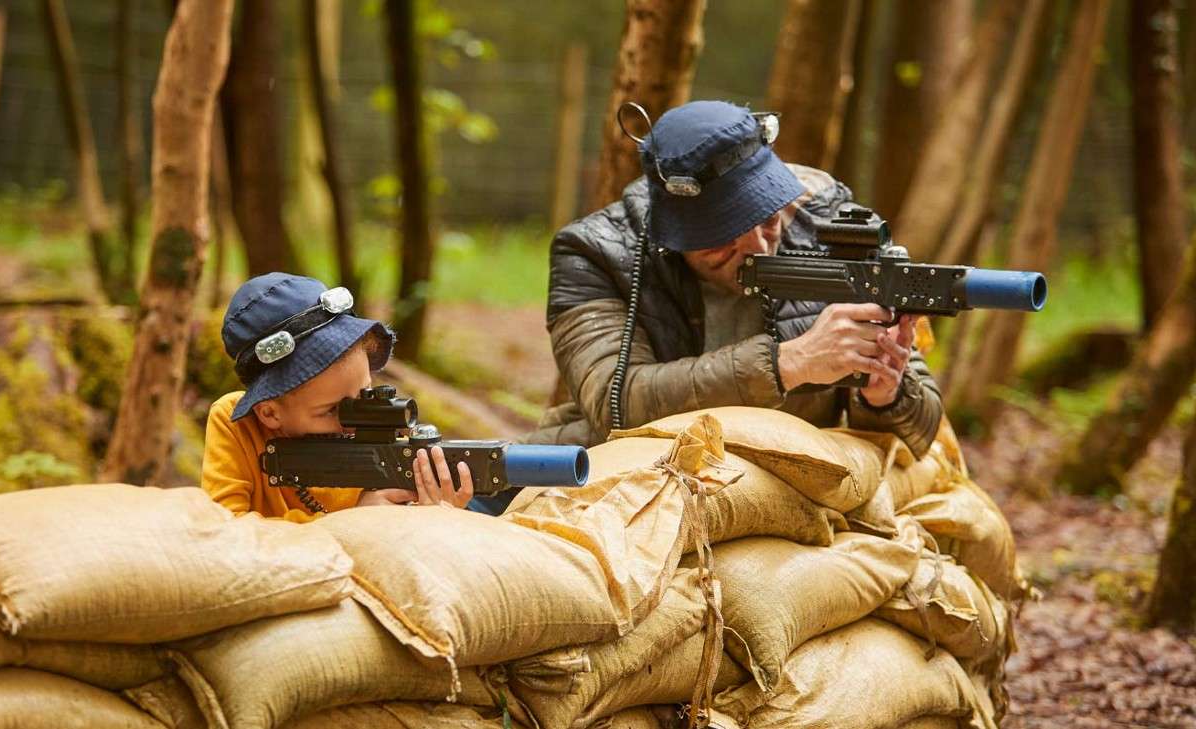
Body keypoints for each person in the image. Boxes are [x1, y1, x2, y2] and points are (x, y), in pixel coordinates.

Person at [533, 100, 943, 458]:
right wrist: (790, 363)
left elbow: (921, 431)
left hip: (794, 477)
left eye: (767, 219)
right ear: (675, 231)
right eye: (722, 237)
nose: (759, 248)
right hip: (632, 468)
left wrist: (883, 395)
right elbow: (615, 403)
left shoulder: (829, 228)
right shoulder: (595, 252)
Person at [201, 272, 474, 522]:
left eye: (365, 395)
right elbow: (225, 533)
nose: (357, 420)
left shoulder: (384, 443)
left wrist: (435, 516)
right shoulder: (236, 425)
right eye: (332, 410)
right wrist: (352, 521)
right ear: (269, 412)